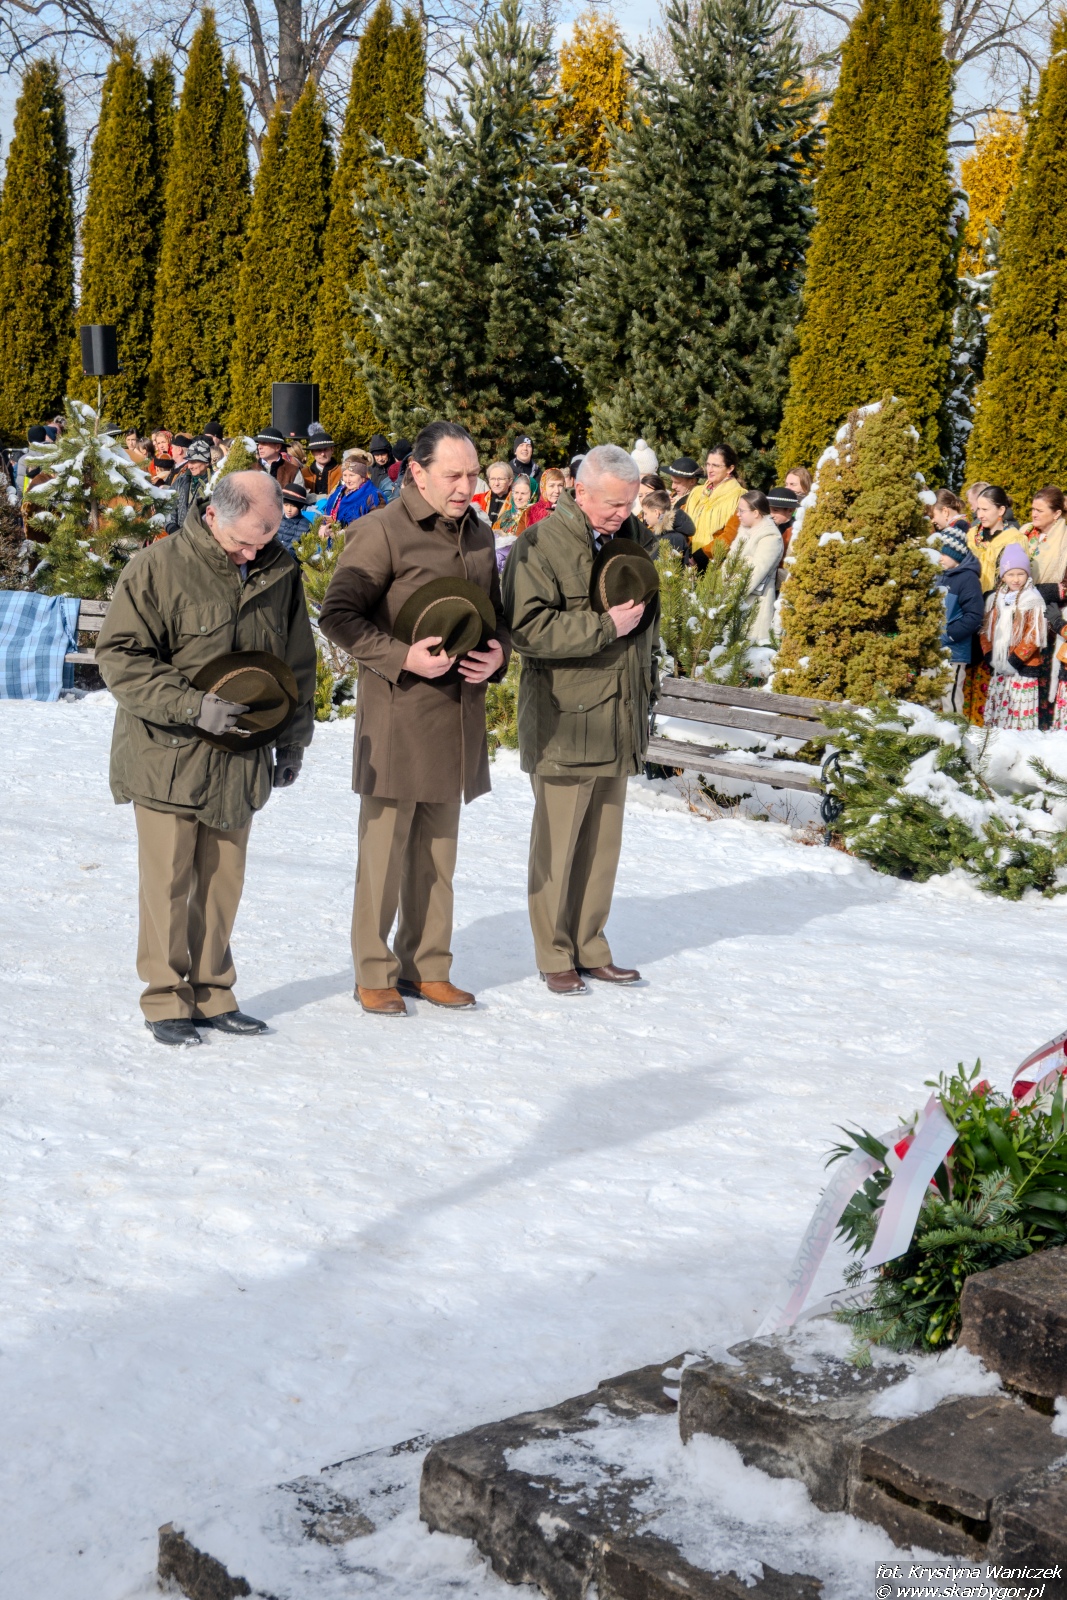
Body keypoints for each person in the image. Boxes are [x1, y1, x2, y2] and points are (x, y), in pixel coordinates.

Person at [93, 472, 317, 1046]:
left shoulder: (279, 569)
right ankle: (165, 997)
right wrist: (192, 706)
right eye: (244, 541)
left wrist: (292, 741)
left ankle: (213, 992)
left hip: (241, 756)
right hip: (167, 755)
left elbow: (296, 664)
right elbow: (120, 657)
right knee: (168, 884)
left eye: (265, 540)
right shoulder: (157, 568)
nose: (254, 553)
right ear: (214, 514)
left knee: (222, 883)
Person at [318, 421, 510, 1017]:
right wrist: (402, 657)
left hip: (458, 718)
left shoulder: (480, 534)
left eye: (473, 475)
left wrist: (500, 654)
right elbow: (338, 615)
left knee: (438, 856)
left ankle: (427, 967)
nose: (466, 487)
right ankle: (373, 972)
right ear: (418, 473)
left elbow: (496, 615)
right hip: (397, 717)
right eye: (453, 475)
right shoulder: (381, 531)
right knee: (383, 856)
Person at [502, 443, 656, 996]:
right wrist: (605, 627)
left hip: (619, 715)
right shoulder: (540, 543)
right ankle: (554, 953)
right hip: (565, 720)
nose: (623, 513)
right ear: (580, 491)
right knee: (558, 846)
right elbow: (527, 630)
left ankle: (591, 946)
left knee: (601, 847)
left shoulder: (632, 539)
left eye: (630, 502)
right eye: (613, 503)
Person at [977, 544, 1046, 731]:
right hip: (999, 665)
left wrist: (1015, 659)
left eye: (1020, 574)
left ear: (1027, 574)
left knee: (1018, 716)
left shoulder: (1032, 599)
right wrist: (989, 654)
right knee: (1000, 715)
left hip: (1022, 667)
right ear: (1003, 576)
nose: (1016, 579)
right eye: (1011, 574)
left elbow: (1034, 635)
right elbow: (985, 631)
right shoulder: (995, 599)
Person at [936, 525, 984, 714]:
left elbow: (974, 616)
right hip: (933, 649)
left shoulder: (968, 579)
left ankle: (956, 730)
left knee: (950, 698)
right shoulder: (939, 575)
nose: (939, 557)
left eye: (943, 553)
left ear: (955, 554)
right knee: (929, 699)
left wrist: (948, 635)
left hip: (954, 652)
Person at [733, 491, 784, 644]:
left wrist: (728, 597)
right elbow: (730, 565)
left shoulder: (771, 537)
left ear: (755, 513)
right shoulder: (744, 531)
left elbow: (754, 573)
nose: (737, 514)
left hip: (755, 606)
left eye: (742, 510)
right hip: (735, 604)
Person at [164, 437, 213, 535]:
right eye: (189, 461)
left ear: (206, 462)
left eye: (194, 462)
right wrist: (171, 527)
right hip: (178, 536)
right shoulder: (181, 480)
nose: (190, 466)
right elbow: (169, 503)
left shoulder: (213, 484)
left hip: (201, 538)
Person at [322, 450, 382, 528]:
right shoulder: (339, 493)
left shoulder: (374, 497)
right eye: (345, 475)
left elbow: (375, 525)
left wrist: (342, 531)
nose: (347, 480)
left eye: (351, 475)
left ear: (363, 477)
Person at [1023, 486, 1067, 587]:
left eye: (1039, 511)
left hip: (1050, 596)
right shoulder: (1024, 531)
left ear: (1056, 514)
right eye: (1033, 509)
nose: (1034, 514)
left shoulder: (1064, 539)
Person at [492, 474, 533, 572]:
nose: (518, 497)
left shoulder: (533, 516)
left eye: (523, 493)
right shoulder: (506, 515)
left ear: (532, 494)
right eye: (516, 492)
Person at [303, 427, 342, 496]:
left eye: (326, 449)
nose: (323, 454)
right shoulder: (304, 473)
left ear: (332, 450)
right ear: (312, 452)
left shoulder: (342, 472)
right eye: (318, 450)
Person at [766, 486, 800, 560]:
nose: (771, 515)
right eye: (769, 510)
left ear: (790, 511)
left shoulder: (795, 532)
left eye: (775, 510)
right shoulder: (766, 526)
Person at [277, 480, 309, 552]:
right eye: (286, 505)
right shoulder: (276, 520)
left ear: (299, 507)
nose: (289, 509)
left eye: (293, 506)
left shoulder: (306, 526)